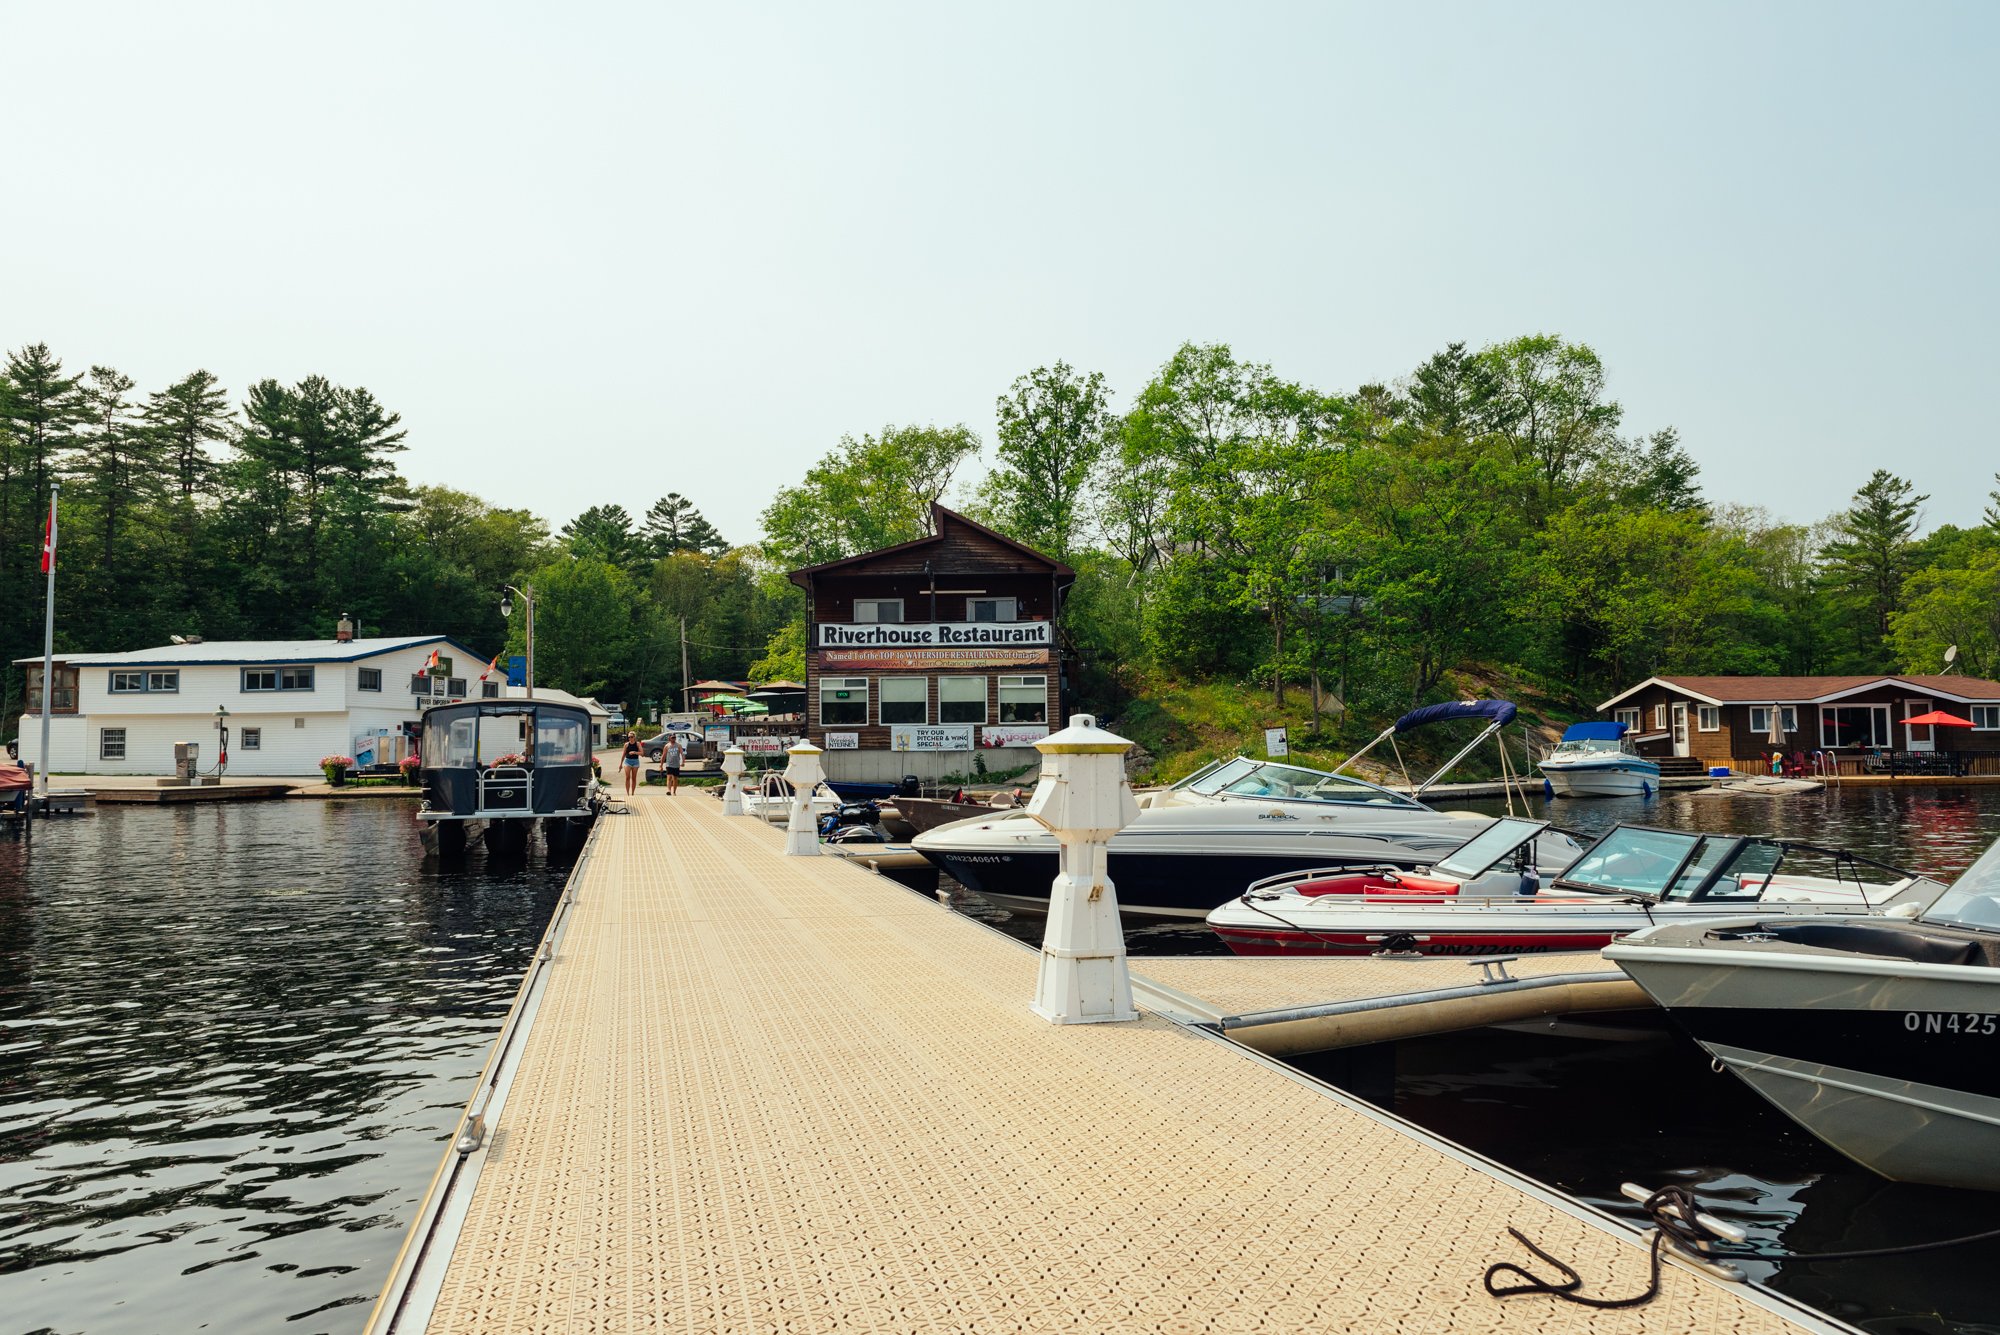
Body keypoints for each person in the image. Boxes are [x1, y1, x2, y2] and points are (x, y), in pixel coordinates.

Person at [621, 731, 642, 795]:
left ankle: (632, 793)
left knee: (634, 778)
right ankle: (627, 793)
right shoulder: (626, 744)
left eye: (631, 737)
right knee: (627, 777)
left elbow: (642, 753)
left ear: (634, 737)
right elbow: (623, 754)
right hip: (627, 761)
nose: (630, 738)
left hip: (635, 761)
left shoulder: (637, 744)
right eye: (629, 737)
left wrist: (634, 752)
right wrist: (620, 764)